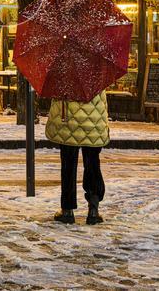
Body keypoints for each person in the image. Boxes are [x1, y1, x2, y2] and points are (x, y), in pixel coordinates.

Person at [46, 89, 109, 225]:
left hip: (68, 119)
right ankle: (93, 209)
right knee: (92, 163)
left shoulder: (64, 68)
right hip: (94, 120)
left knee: (68, 164)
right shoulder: (100, 69)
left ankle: (67, 210)